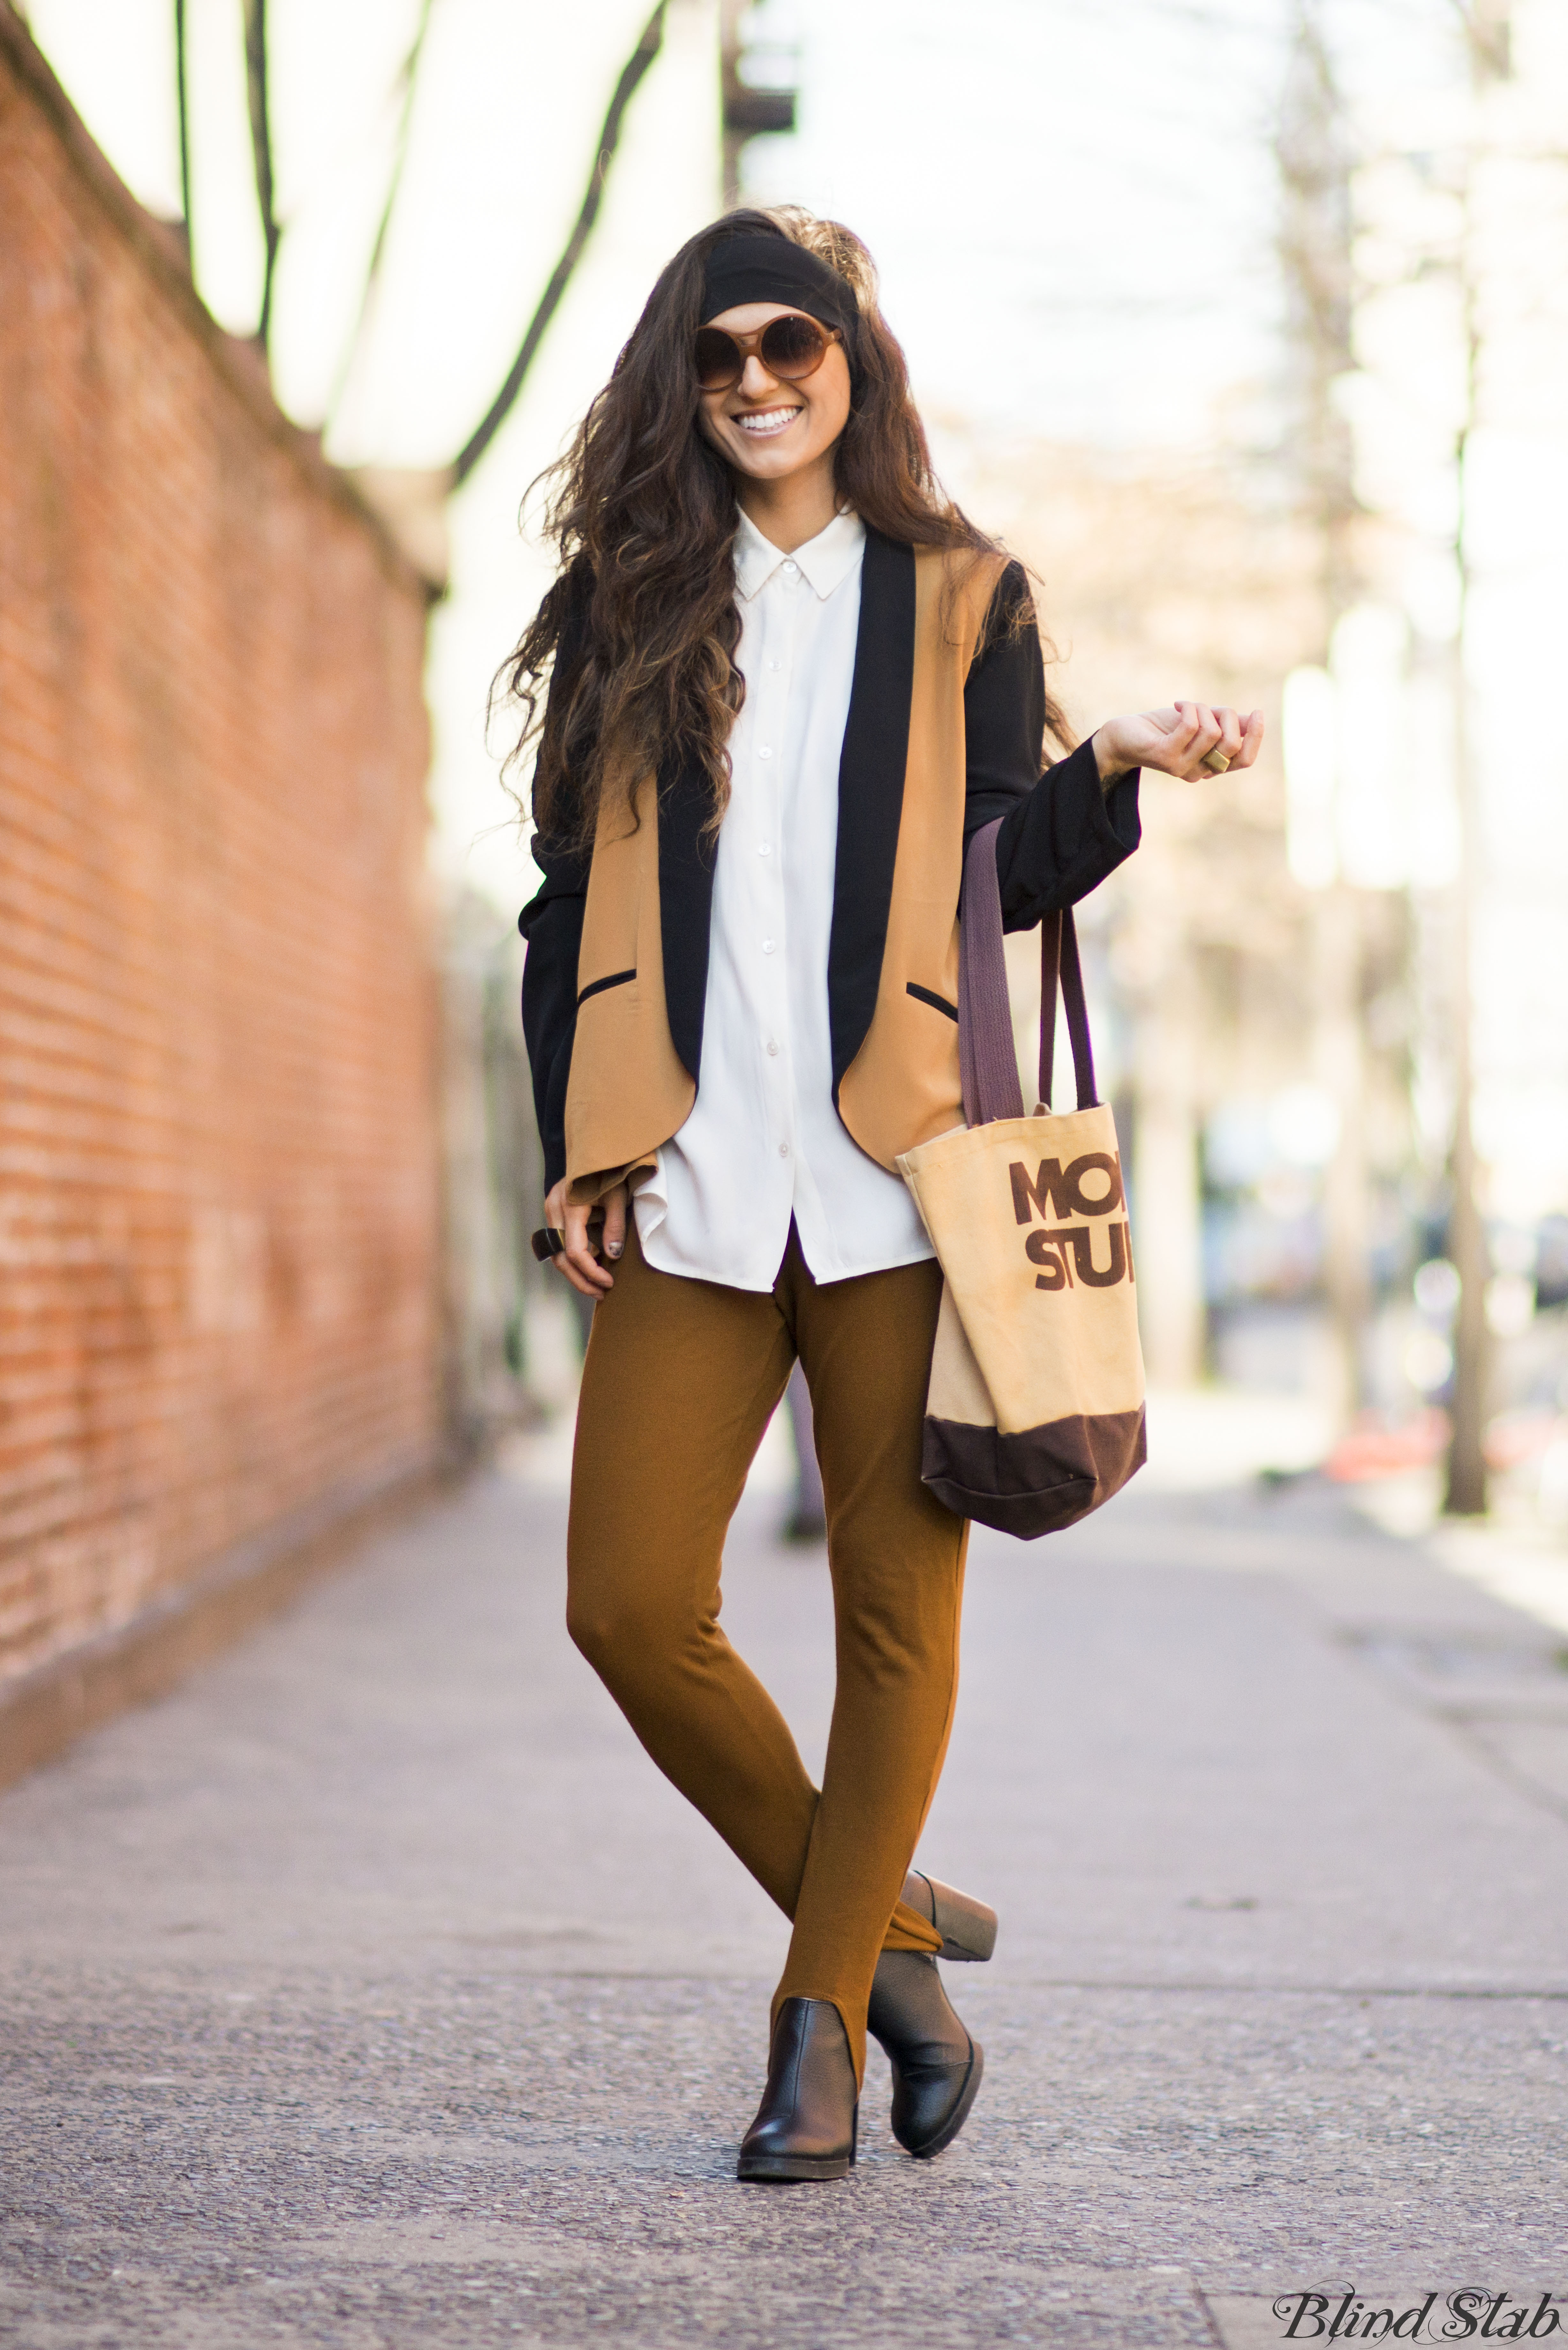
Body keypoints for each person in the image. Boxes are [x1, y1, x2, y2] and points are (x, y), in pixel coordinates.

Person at [506, 208, 1262, 2184]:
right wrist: (567, 1147)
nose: (756, 384)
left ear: (856, 364)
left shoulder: (959, 596)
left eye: (793, 348)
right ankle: (907, 1952)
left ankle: (820, 2030)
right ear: (683, 381)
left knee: (889, 1625)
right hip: (684, 1172)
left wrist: (1110, 765)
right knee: (627, 1605)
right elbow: (563, 903)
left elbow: (1000, 875)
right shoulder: (627, 605)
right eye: (719, 355)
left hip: (894, 1182)